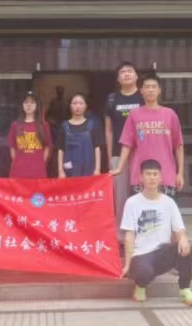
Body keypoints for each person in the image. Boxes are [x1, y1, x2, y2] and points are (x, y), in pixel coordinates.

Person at [120, 159, 192, 306]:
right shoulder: (132, 203)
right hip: (141, 255)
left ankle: (185, 290)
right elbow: (129, 236)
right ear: (141, 177)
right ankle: (140, 286)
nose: (152, 177)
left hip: (161, 253)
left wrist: (183, 239)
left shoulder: (169, 202)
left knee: (186, 247)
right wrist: (127, 264)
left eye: (155, 174)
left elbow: (180, 229)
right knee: (143, 271)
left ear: (160, 177)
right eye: (148, 174)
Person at [110, 72, 185, 198]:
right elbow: (127, 144)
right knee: (141, 210)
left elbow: (178, 146)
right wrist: (120, 168)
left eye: (154, 87)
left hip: (166, 176)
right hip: (140, 177)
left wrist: (180, 173)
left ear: (159, 90)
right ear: (142, 91)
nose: (150, 90)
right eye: (147, 87)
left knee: (165, 210)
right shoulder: (134, 114)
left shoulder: (170, 114)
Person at [104, 61, 144, 234]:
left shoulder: (143, 96)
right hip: (118, 154)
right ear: (118, 78)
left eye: (130, 71)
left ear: (136, 76)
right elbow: (109, 130)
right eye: (123, 72)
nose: (126, 74)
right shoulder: (112, 99)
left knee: (142, 193)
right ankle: (121, 236)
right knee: (120, 197)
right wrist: (110, 157)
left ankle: (142, 232)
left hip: (141, 154)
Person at [58, 93, 105, 178]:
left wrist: (97, 169)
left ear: (86, 106)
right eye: (75, 103)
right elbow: (61, 149)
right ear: (70, 106)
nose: (78, 106)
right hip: (69, 171)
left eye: (81, 103)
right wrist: (60, 171)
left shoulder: (92, 125)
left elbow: (97, 147)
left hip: (89, 170)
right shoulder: (64, 126)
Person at [8, 91, 52, 178]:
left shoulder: (44, 125)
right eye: (26, 102)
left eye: (32, 102)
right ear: (22, 105)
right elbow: (12, 146)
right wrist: (16, 161)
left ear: (37, 105)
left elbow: (48, 146)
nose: (29, 105)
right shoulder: (15, 125)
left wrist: (42, 162)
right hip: (18, 170)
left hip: (38, 171)